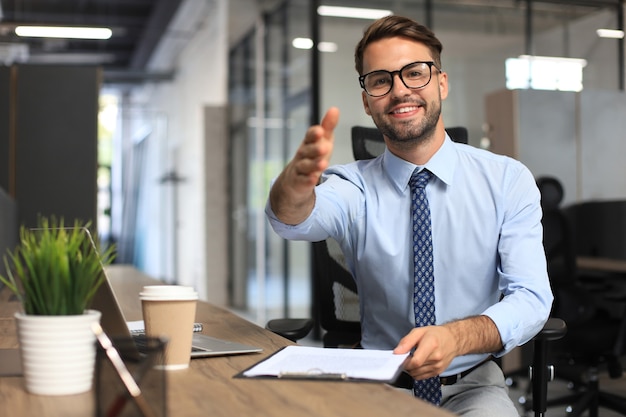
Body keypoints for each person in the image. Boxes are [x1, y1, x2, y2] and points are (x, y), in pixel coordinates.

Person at [265, 15, 553, 417]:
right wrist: (293, 186)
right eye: (380, 80)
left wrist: (456, 338)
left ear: (441, 83)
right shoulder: (353, 186)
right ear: (367, 100)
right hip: (378, 384)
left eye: (415, 73)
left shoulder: (506, 180)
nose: (400, 90)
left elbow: (532, 298)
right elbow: (293, 218)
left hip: (472, 384)